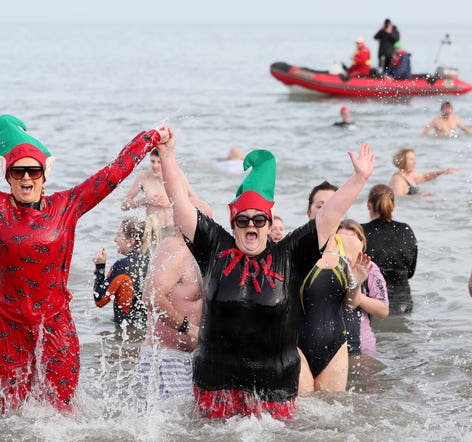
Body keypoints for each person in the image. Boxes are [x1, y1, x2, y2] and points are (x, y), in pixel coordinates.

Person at [0, 88, 170, 414]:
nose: (26, 177)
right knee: (12, 419)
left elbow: (112, 173)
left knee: (61, 417)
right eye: (18, 171)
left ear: (44, 175)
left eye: (34, 171)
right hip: (7, 329)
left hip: (55, 326)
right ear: (8, 176)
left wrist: (150, 136)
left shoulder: (67, 204)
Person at [159, 128, 375, 420]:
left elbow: (329, 216)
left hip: (274, 392)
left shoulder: (290, 255)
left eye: (259, 219)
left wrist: (359, 178)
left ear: (269, 221)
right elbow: (181, 205)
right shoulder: (213, 247)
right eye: (243, 219)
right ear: (233, 222)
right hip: (215, 386)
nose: (251, 225)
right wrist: (168, 154)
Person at [298, 182, 371, 395]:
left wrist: (356, 282)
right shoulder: (293, 246)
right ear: (309, 212)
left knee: (331, 418)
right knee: (301, 417)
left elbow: (351, 304)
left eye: (333, 205)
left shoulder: (350, 246)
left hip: (335, 347)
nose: (327, 211)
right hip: (296, 345)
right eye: (321, 206)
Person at [139, 198, 213, 400]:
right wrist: (189, 328)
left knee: (190, 426)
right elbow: (151, 296)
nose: (211, 227)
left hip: (188, 357)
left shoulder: (194, 252)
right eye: (206, 220)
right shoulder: (174, 249)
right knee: (174, 427)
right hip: (166, 358)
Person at [92, 216, 156, 337]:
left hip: (127, 334)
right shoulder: (155, 261)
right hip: (149, 332)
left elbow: (100, 300)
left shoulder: (122, 266)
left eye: (118, 235)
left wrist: (100, 268)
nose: (115, 240)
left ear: (131, 241)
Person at [361, 184, 417, 314]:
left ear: (369, 204)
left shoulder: (360, 232)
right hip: (403, 304)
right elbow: (410, 272)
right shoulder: (406, 231)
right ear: (393, 206)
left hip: (372, 304)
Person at [337, 219, 389, 358]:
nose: (347, 245)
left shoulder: (370, 269)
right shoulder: (327, 265)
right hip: (330, 343)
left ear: (362, 243)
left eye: (352, 241)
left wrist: (358, 292)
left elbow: (383, 310)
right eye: (341, 240)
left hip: (361, 345)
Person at [121, 149, 197, 238]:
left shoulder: (177, 176)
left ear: (165, 163)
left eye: (159, 162)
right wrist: (145, 201)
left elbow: (195, 200)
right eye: (152, 161)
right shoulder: (144, 177)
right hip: (154, 231)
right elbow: (124, 205)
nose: (155, 166)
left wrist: (173, 202)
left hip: (174, 229)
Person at [389, 147, 457, 197]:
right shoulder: (398, 179)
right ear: (403, 161)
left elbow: (425, 177)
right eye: (411, 159)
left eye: (415, 159)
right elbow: (398, 197)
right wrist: (419, 196)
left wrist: (441, 172)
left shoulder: (409, 175)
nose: (415, 162)